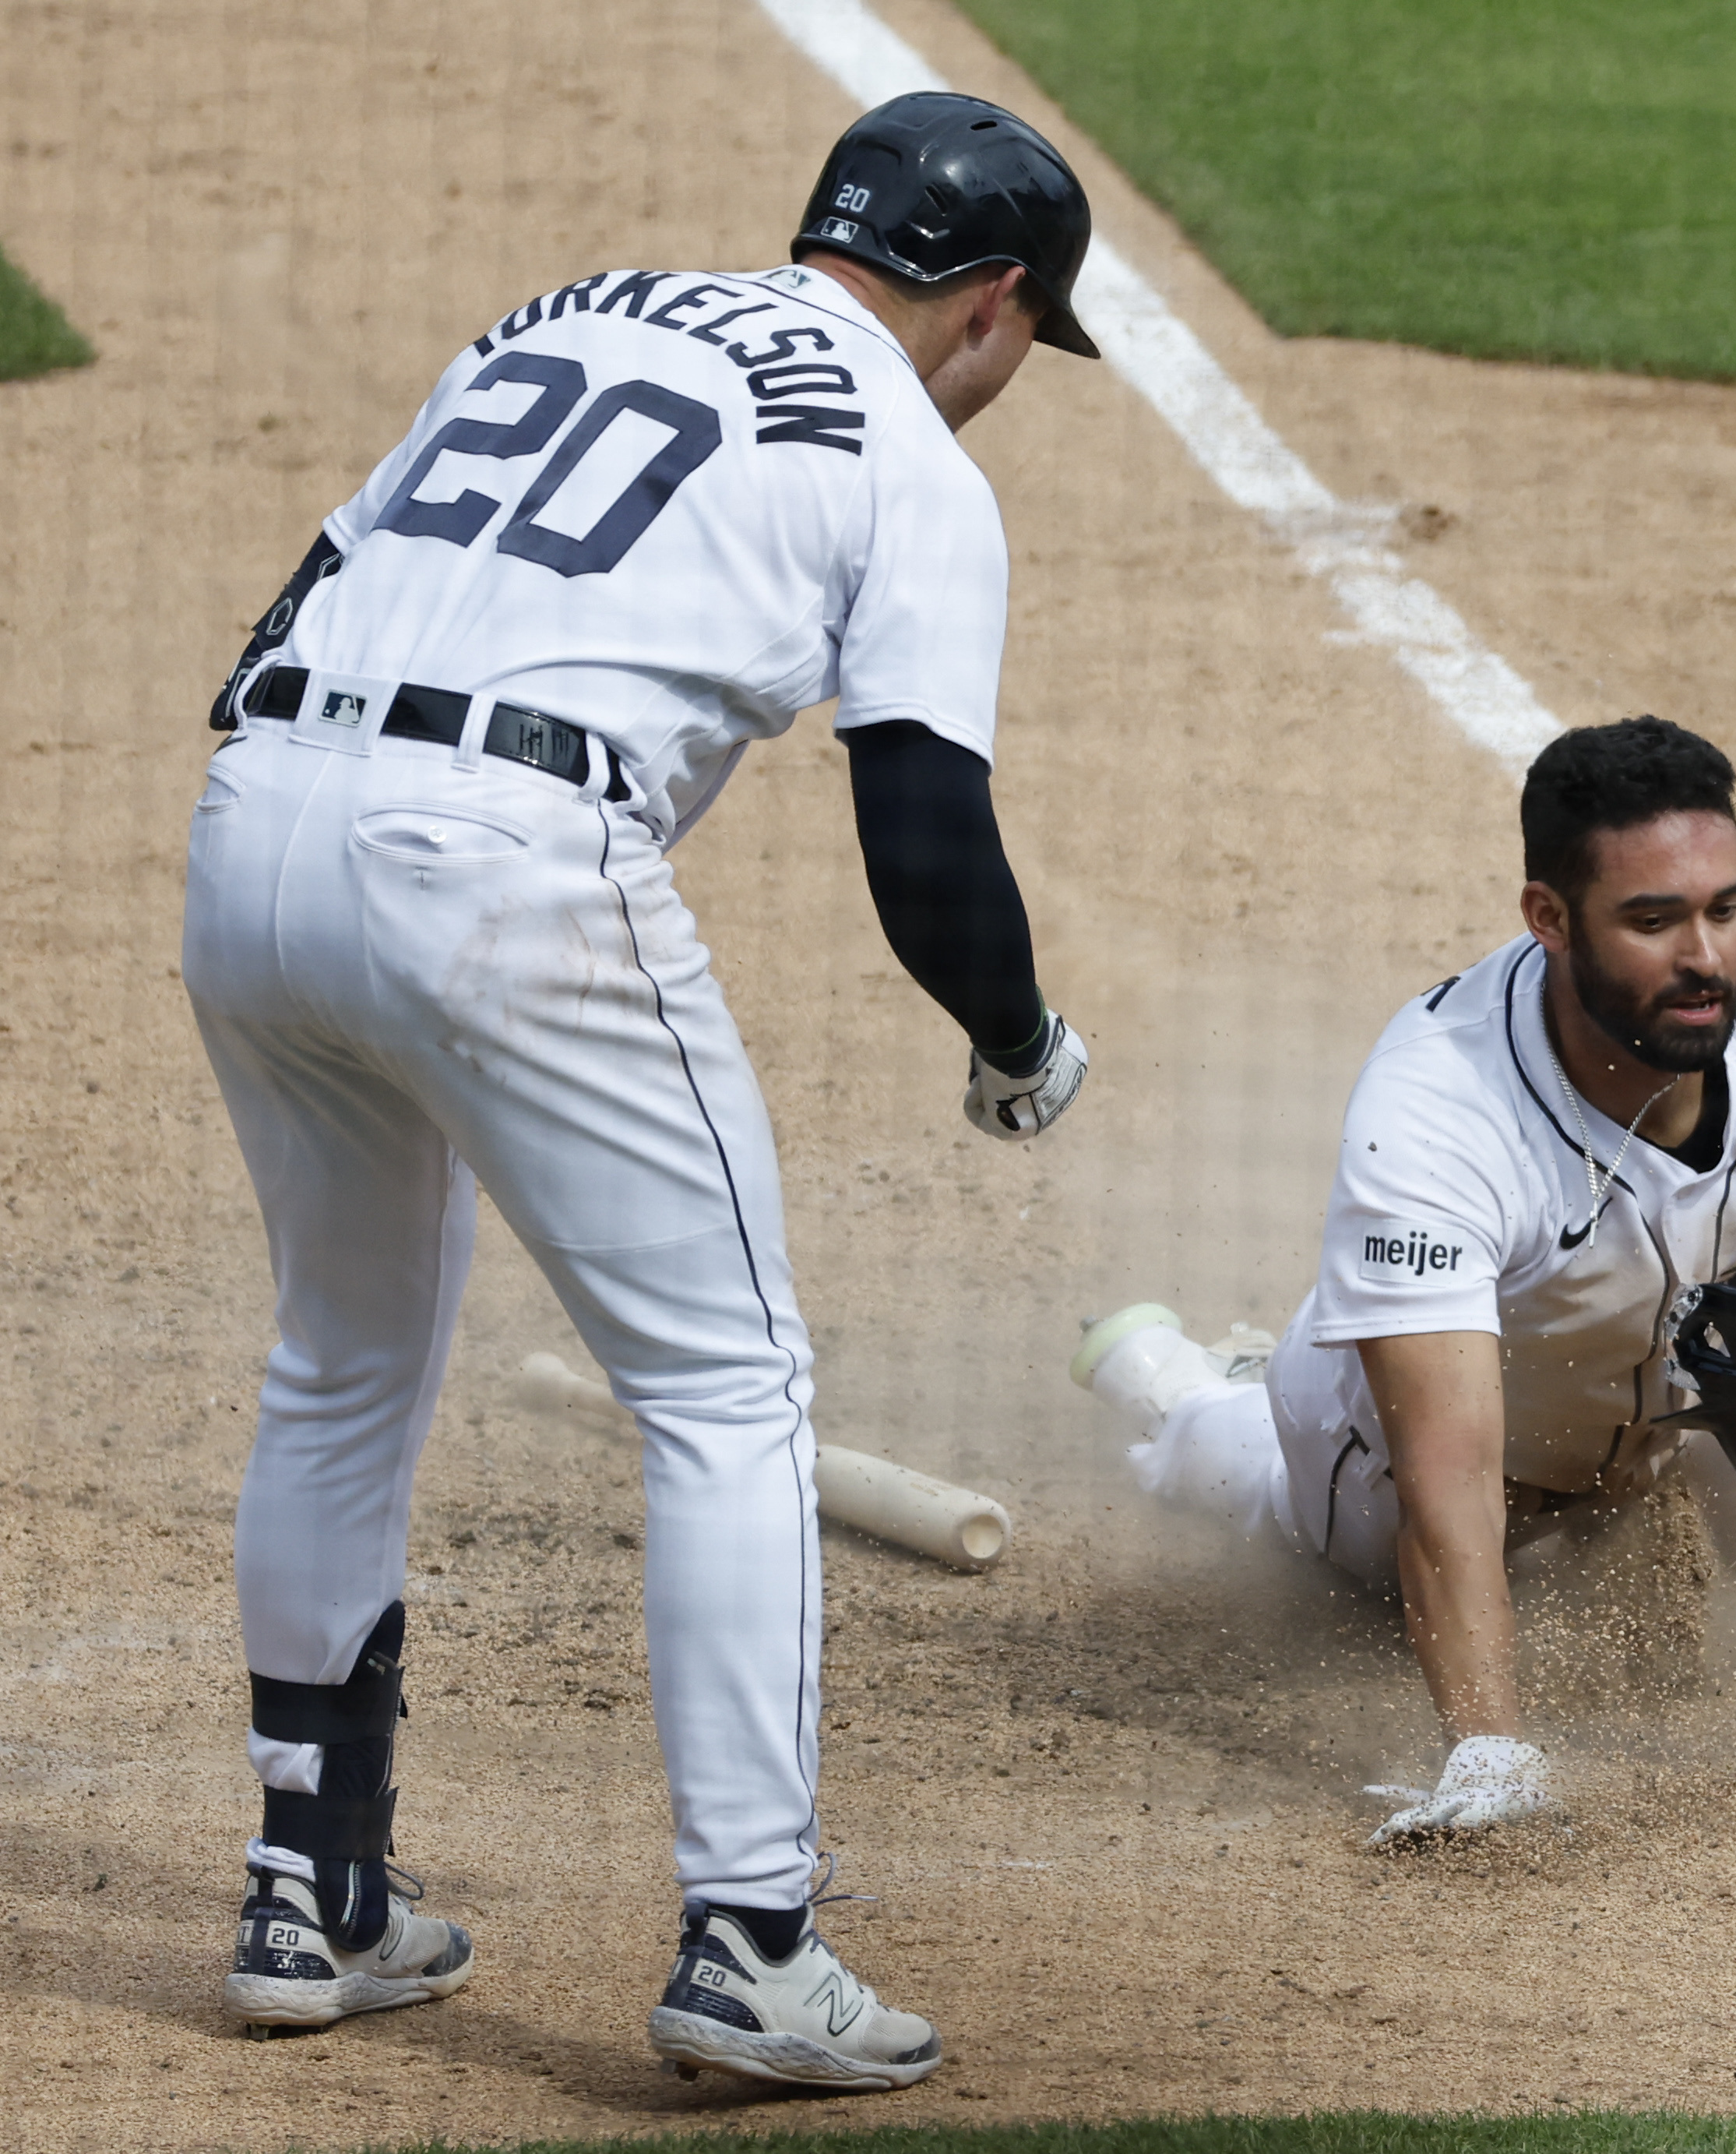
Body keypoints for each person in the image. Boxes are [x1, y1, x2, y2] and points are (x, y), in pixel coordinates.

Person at [180, 92, 1100, 2087]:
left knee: (339, 1364)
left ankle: (309, 1894)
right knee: (727, 1389)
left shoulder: (557, 317)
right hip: (505, 865)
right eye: (1033, 347)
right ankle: (754, 1947)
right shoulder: (908, 459)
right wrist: (1018, 1043)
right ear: (996, 306)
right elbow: (928, 834)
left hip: (253, 823)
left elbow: (292, 608)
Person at [1070, 717, 1736, 1844]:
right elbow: (1444, 1490)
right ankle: (1180, 1380)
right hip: (1404, 1456)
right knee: (1257, 1494)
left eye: (1724, 908)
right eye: (1653, 920)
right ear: (1549, 918)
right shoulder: (1436, 1109)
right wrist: (1489, 1745)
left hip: (1655, 1424)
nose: (1706, 956)